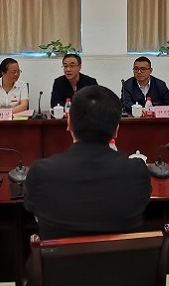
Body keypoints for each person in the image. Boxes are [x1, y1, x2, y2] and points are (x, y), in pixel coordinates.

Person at [25, 85, 151, 240]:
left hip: (60, 257)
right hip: (121, 256)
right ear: (116, 130)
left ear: (69, 123)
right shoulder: (137, 171)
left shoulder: (41, 172)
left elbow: (33, 208)